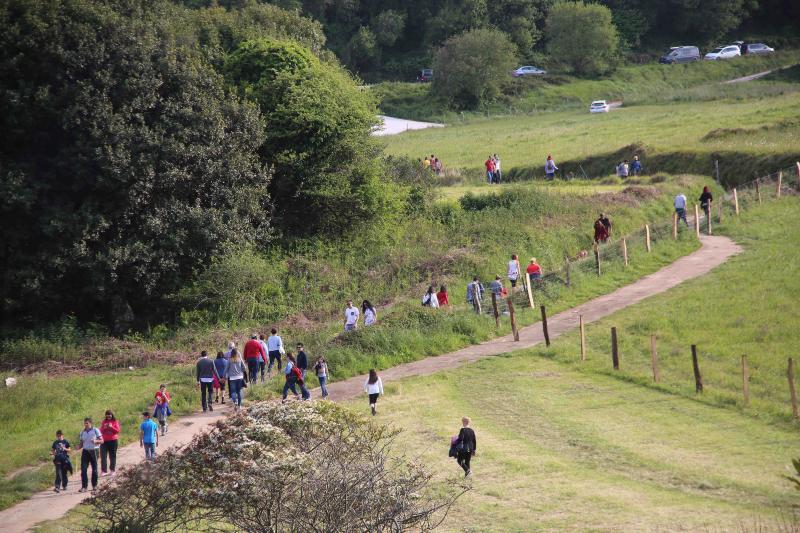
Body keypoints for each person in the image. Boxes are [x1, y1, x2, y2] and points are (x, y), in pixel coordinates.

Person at [76, 417, 102, 493]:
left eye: (87, 423)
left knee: (94, 469)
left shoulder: (95, 430)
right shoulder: (82, 432)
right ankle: (84, 487)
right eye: (85, 423)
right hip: (85, 451)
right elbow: (81, 443)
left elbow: (102, 441)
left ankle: (95, 486)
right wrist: (78, 447)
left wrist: (95, 441)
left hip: (94, 451)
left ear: (90, 423)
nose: (85, 424)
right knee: (83, 469)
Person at [99, 410, 120, 477]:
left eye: (109, 415)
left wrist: (111, 427)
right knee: (103, 456)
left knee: (112, 456)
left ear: (112, 415)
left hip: (113, 440)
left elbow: (117, 431)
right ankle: (104, 471)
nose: (108, 416)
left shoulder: (115, 421)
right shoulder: (104, 422)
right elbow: (100, 431)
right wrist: (104, 428)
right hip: (104, 441)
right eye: (107, 415)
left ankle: (112, 470)